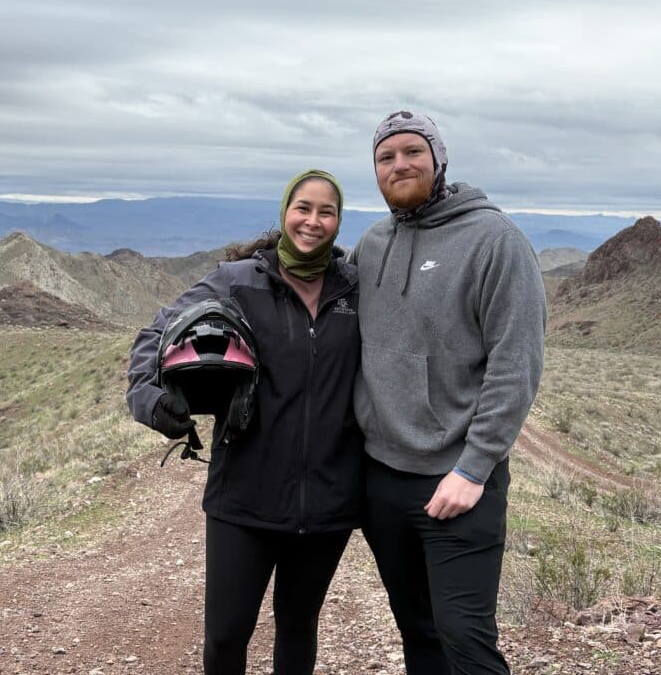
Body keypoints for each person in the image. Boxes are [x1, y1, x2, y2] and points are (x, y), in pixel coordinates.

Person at [126, 169, 362, 675]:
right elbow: (159, 329)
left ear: (339, 221)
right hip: (244, 495)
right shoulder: (238, 281)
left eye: (327, 211)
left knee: (299, 628)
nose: (313, 221)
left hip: (328, 500)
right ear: (284, 213)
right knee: (228, 634)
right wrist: (148, 399)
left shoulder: (356, 289)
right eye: (304, 208)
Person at [352, 111, 547, 675]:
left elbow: (517, 364)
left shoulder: (495, 241)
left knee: (466, 642)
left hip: (458, 483)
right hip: (381, 478)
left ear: (438, 159)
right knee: (417, 632)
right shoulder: (373, 242)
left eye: (413, 151)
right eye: (385, 157)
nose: (399, 164)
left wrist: (474, 468)